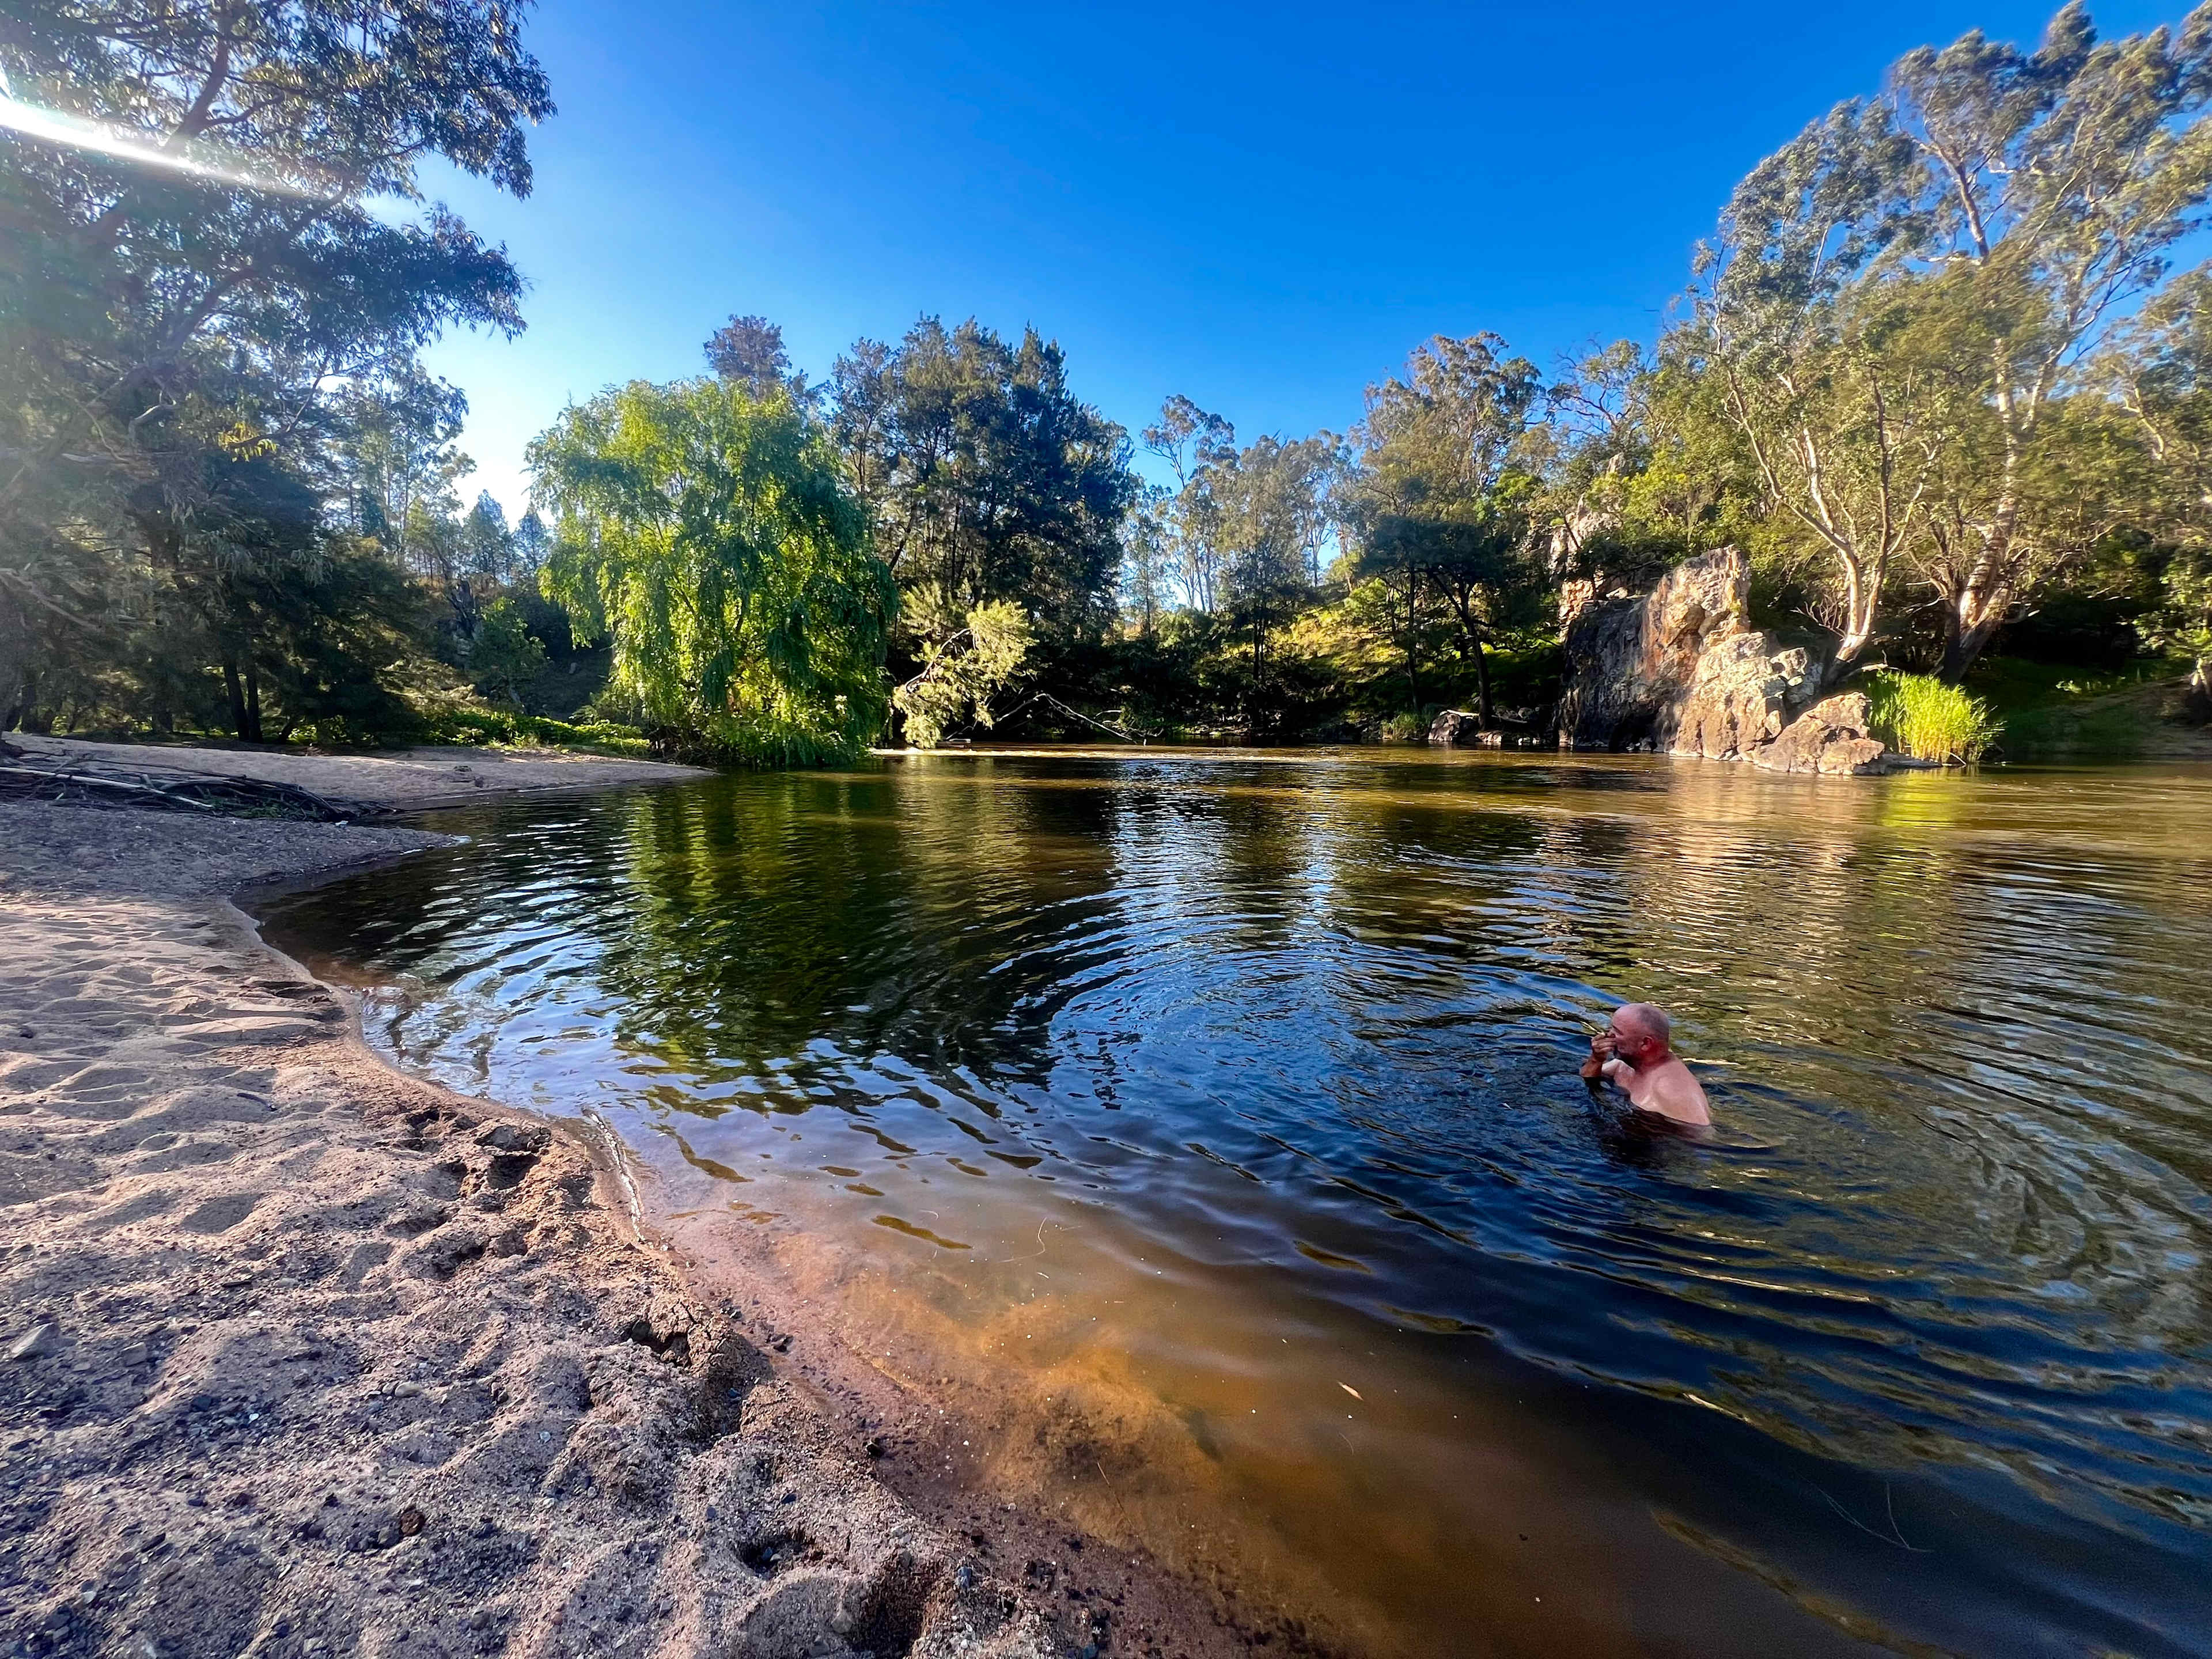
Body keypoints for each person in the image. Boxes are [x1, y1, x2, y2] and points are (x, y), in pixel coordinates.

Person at [1581, 1003, 1711, 1129]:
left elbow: (1701, 1136)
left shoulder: (1669, 1090)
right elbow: (1587, 1078)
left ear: (1645, 1043)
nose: (1608, 1035)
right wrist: (1596, 1059)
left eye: (1617, 1032)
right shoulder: (1626, 1064)